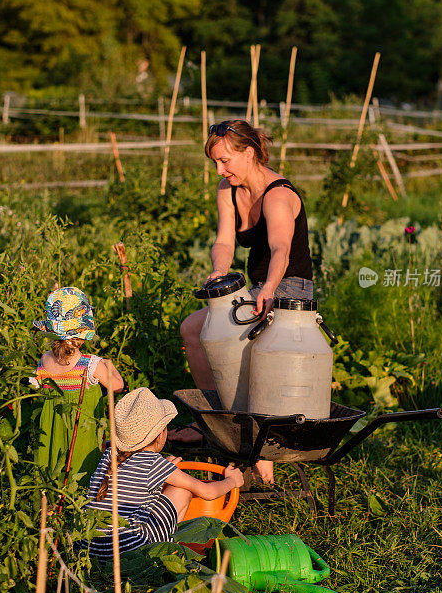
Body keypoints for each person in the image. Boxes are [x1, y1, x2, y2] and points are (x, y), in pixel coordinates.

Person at [177, 120, 314, 482]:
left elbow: (281, 250)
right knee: (193, 329)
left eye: (225, 161)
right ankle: (219, 423)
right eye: (215, 163)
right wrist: (219, 271)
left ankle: (259, 456)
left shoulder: (279, 195)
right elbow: (224, 241)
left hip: (290, 289)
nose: (219, 170)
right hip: (257, 288)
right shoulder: (229, 189)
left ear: (249, 152)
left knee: (240, 339)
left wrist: (268, 289)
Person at [86, 387, 244, 558]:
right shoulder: (154, 463)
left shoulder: (110, 454)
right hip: (129, 550)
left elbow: (135, 480)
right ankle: (168, 553)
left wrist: (166, 470)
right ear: (161, 434)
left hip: (91, 547)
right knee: (181, 490)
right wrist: (232, 480)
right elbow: (208, 492)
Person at [32, 286, 124, 484]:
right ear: (82, 334)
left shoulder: (45, 360)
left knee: (49, 475)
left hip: (50, 435)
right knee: (81, 476)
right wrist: (110, 366)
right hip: (81, 435)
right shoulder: (91, 365)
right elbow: (117, 386)